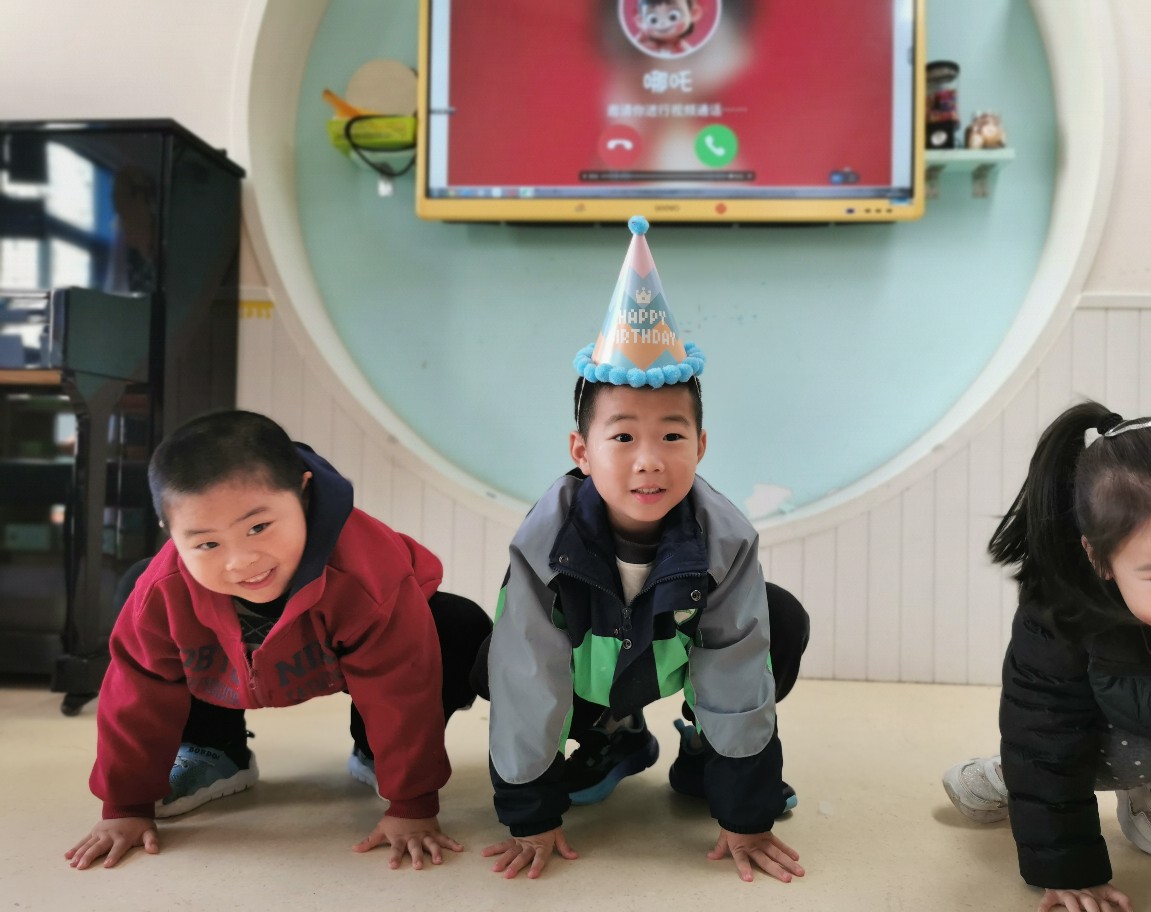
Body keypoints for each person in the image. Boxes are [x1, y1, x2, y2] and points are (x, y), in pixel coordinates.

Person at [475, 216, 809, 883]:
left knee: (780, 618)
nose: (649, 460)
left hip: (667, 664)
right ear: (582, 451)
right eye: (623, 437)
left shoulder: (726, 540)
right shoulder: (543, 544)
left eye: (672, 437)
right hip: (585, 680)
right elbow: (527, 676)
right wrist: (530, 814)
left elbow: (737, 668)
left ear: (701, 446)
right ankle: (609, 735)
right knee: (498, 658)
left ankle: (700, 752)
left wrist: (745, 813)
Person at [64, 410, 491, 871]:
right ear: (170, 530)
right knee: (139, 594)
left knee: (456, 624)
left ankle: (373, 750)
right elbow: (137, 697)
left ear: (303, 494)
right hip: (222, 664)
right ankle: (215, 749)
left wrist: (412, 803)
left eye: (258, 527)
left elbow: (400, 684)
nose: (241, 561)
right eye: (207, 544)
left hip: (347, 652)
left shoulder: (366, 573)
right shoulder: (163, 592)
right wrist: (125, 806)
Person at [941, 401, 1151, 912]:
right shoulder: (1060, 615)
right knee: (1075, 757)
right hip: (1097, 736)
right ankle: (1006, 775)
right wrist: (1070, 871)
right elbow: (1044, 735)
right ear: (1099, 558)